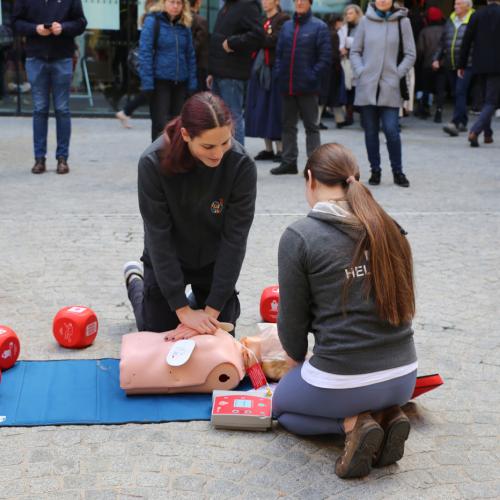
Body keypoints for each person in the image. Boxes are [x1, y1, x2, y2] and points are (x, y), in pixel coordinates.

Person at [272, 143, 417, 479]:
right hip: (403, 377)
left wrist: (295, 365)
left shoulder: (300, 235)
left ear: (310, 179)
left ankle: (353, 424)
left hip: (341, 379)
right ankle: (386, 415)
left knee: (282, 410)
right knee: (316, 395)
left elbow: (292, 322)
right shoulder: (390, 227)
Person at [124, 92, 257, 335]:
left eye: (225, 142)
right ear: (186, 135)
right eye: (208, 146)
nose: (218, 154)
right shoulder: (152, 163)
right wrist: (182, 310)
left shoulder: (241, 165)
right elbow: (158, 236)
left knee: (220, 330)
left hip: (213, 259)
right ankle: (135, 281)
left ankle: (199, 304)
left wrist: (211, 313)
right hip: (169, 255)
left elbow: (235, 240)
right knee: (158, 330)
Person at [12, 0, 87, 174]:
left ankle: (62, 159)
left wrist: (63, 27)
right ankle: (39, 159)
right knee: (40, 109)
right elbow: (15, 22)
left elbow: (81, 22)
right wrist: (35, 29)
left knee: (62, 109)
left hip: (62, 57)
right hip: (35, 57)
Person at [350, 0, 416, 188]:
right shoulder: (365, 21)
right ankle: (375, 170)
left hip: (390, 86)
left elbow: (411, 54)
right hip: (367, 85)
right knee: (370, 131)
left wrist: (397, 73)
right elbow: (355, 51)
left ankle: (398, 172)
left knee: (391, 130)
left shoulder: (402, 21)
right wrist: (361, 71)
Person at [271, 0, 331, 175]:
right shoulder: (287, 26)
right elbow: (279, 54)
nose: (299, 2)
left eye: (303, 0)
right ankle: (289, 162)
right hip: (287, 85)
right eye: (296, 0)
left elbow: (325, 58)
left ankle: (314, 166)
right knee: (287, 125)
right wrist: (279, 73)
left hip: (308, 88)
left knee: (311, 127)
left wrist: (312, 76)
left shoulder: (319, 27)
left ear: (310, 3)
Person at [139, 0, 197, 142]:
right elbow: (145, 53)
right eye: (172, 2)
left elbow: (190, 55)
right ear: (163, 3)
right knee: (160, 124)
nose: (175, 6)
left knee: (178, 124)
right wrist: (147, 83)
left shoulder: (184, 25)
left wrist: (192, 84)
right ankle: (158, 154)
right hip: (160, 81)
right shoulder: (153, 21)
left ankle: (173, 154)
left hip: (181, 82)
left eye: (179, 3)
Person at [207, 0, 264, 145]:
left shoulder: (247, 5)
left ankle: (237, 155)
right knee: (219, 118)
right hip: (219, 72)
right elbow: (218, 39)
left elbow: (258, 35)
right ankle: (223, 153)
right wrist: (211, 71)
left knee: (232, 118)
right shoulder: (227, 5)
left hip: (232, 74)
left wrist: (233, 42)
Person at [245, 0, 290, 162]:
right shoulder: (262, 19)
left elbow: (274, 40)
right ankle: (268, 148)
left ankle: (281, 149)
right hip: (259, 70)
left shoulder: (283, 19)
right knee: (262, 109)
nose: (264, 2)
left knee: (274, 110)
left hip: (273, 70)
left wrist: (258, 39)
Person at [458, 0, 500, 147]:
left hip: (479, 63)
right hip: (497, 65)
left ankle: (488, 134)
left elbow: (466, 40)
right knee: (491, 101)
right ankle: (475, 131)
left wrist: (461, 64)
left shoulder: (477, 15)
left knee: (485, 101)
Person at [116, 0, 162, 129]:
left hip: (153, 62)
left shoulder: (149, 18)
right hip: (152, 62)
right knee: (149, 91)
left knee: (150, 92)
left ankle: (126, 112)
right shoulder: (152, 20)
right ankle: (125, 112)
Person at [432, 0, 475, 137]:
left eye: (459, 4)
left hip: (467, 64)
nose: (456, 6)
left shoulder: (474, 19)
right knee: (457, 93)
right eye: (455, 3)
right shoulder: (450, 20)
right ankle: (463, 121)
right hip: (450, 63)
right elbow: (443, 42)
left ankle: (455, 123)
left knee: (460, 91)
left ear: (468, 6)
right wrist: (436, 58)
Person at [416, 6, 444, 123]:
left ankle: (424, 110)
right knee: (440, 89)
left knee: (426, 88)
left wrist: (418, 62)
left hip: (427, 64)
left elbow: (420, 50)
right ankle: (439, 112)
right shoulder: (445, 30)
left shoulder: (424, 32)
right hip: (442, 64)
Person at [337, 4, 363, 128]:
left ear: (357, 14)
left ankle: (362, 116)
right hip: (347, 62)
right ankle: (349, 115)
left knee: (359, 89)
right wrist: (341, 49)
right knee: (348, 88)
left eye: (351, 13)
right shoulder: (344, 28)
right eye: (347, 14)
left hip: (360, 62)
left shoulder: (364, 27)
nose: (348, 16)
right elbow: (340, 44)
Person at [189, 0, 209, 91]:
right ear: (198, 2)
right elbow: (198, 45)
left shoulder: (181, 19)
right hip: (199, 66)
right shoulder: (201, 21)